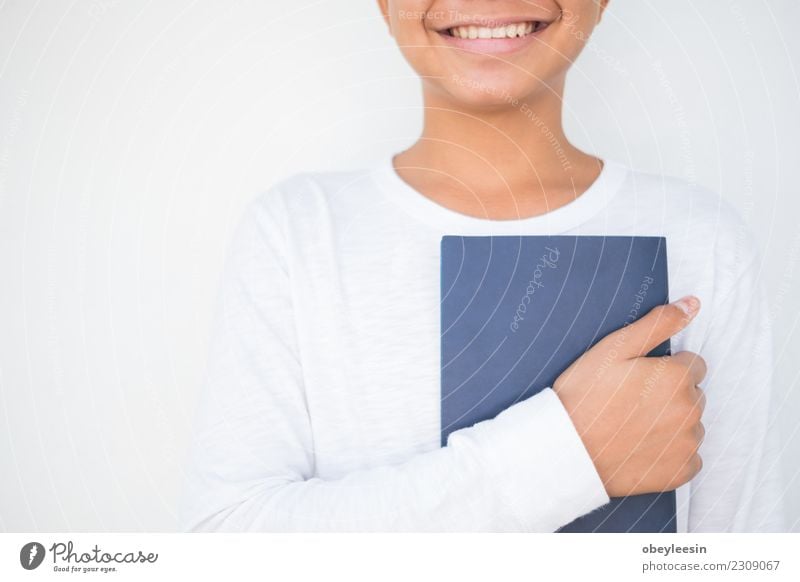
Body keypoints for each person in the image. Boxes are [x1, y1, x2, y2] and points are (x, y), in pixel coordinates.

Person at [179, 0, 785, 532]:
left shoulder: (702, 238)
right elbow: (228, 539)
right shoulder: (296, 230)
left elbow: (743, 545)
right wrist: (571, 453)